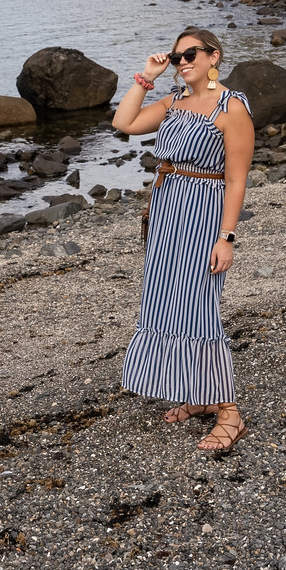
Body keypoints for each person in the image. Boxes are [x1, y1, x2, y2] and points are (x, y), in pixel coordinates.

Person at [112, 28, 255, 453]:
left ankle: (229, 412)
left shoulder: (232, 107)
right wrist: (146, 76)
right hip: (167, 211)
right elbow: (124, 123)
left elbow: (236, 179)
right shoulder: (174, 103)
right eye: (177, 57)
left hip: (204, 214)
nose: (182, 61)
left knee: (199, 307)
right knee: (165, 302)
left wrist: (226, 237)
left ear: (214, 57)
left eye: (190, 54)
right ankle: (199, 397)